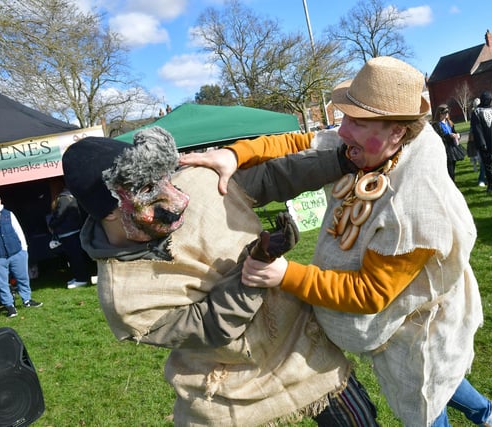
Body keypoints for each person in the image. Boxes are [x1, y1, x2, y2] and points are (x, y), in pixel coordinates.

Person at [181, 56, 492, 427]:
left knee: (425, 390)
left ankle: (491, 417)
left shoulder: (415, 208)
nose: (343, 131)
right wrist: (233, 154)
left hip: (419, 324)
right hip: (394, 326)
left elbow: (369, 294)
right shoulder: (377, 145)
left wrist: (284, 276)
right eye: (346, 118)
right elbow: (301, 141)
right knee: (439, 379)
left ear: (397, 132)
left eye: (357, 121)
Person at [61, 128, 379, 427]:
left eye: (165, 179)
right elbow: (210, 326)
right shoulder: (125, 299)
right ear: (110, 211)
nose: (179, 198)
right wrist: (255, 266)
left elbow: (272, 177)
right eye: (147, 189)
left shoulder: (199, 185)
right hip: (230, 391)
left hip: (305, 349)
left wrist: (341, 161)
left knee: (360, 420)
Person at [0, 193, 43, 318]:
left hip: (16, 252)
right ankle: (10, 306)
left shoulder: (8, 214)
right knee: (1, 283)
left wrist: (24, 250)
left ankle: (27, 300)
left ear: (0, 201)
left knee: (22, 278)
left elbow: (19, 231)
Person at [47, 186, 93, 288]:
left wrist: (51, 224)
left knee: (75, 257)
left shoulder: (64, 198)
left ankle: (81, 278)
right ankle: (79, 277)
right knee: (75, 256)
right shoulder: (70, 197)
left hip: (68, 232)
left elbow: (60, 215)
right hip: (73, 230)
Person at [470, 90, 492, 192]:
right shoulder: (477, 112)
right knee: (488, 164)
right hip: (487, 142)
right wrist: (482, 143)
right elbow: (477, 129)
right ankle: (490, 184)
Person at [431, 104, 465, 182]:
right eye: (444, 112)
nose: (447, 114)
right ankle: (451, 185)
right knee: (449, 170)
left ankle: (452, 184)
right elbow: (439, 137)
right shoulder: (436, 125)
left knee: (452, 169)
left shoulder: (449, 123)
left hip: (452, 148)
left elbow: (454, 132)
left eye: (447, 112)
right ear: (440, 113)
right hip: (444, 149)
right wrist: (449, 136)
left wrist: (458, 135)